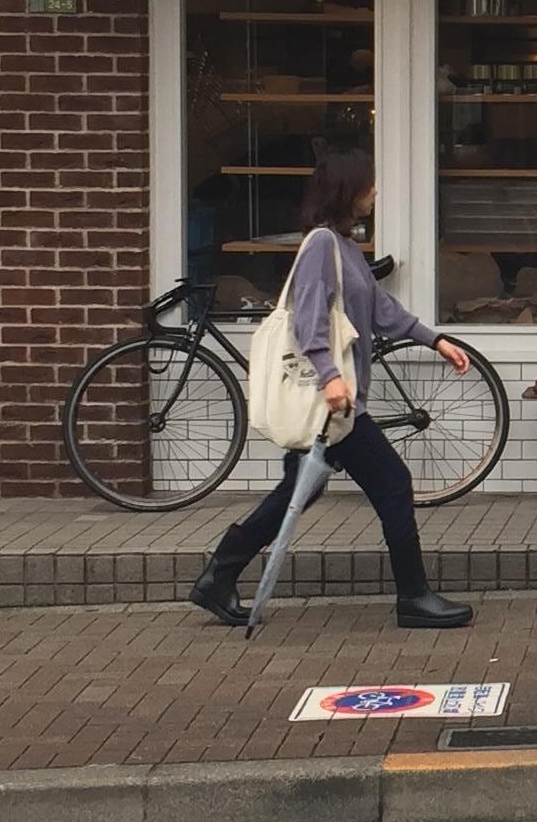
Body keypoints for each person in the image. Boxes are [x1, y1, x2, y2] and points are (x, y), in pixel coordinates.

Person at [189, 150, 477, 630]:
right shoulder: (322, 245)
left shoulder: (343, 246)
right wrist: (329, 375)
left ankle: (219, 573)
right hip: (335, 404)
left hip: (339, 403)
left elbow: (381, 309)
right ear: (349, 189)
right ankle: (414, 597)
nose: (376, 192)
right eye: (370, 185)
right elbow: (306, 320)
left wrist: (437, 340)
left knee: (298, 491)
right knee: (393, 485)